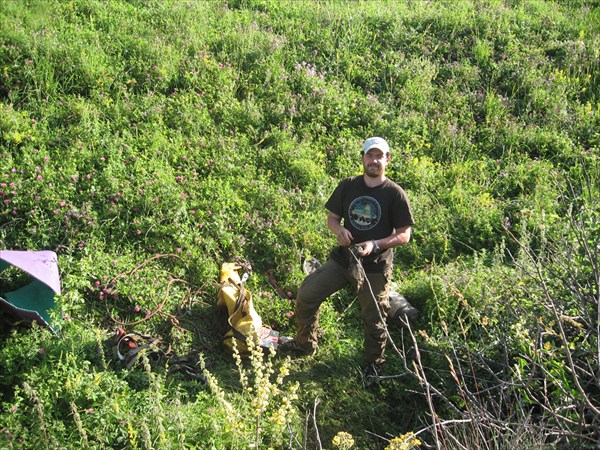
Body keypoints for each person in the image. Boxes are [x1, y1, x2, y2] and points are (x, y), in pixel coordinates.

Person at [281, 137, 414, 384]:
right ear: (362, 157)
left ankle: (374, 365)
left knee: (374, 320)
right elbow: (332, 218)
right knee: (307, 294)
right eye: (369, 155)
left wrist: (375, 244)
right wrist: (339, 231)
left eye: (379, 156)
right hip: (345, 260)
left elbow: (404, 235)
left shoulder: (395, 194)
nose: (374, 160)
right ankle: (305, 344)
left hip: (374, 267)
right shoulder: (349, 186)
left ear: (387, 159)